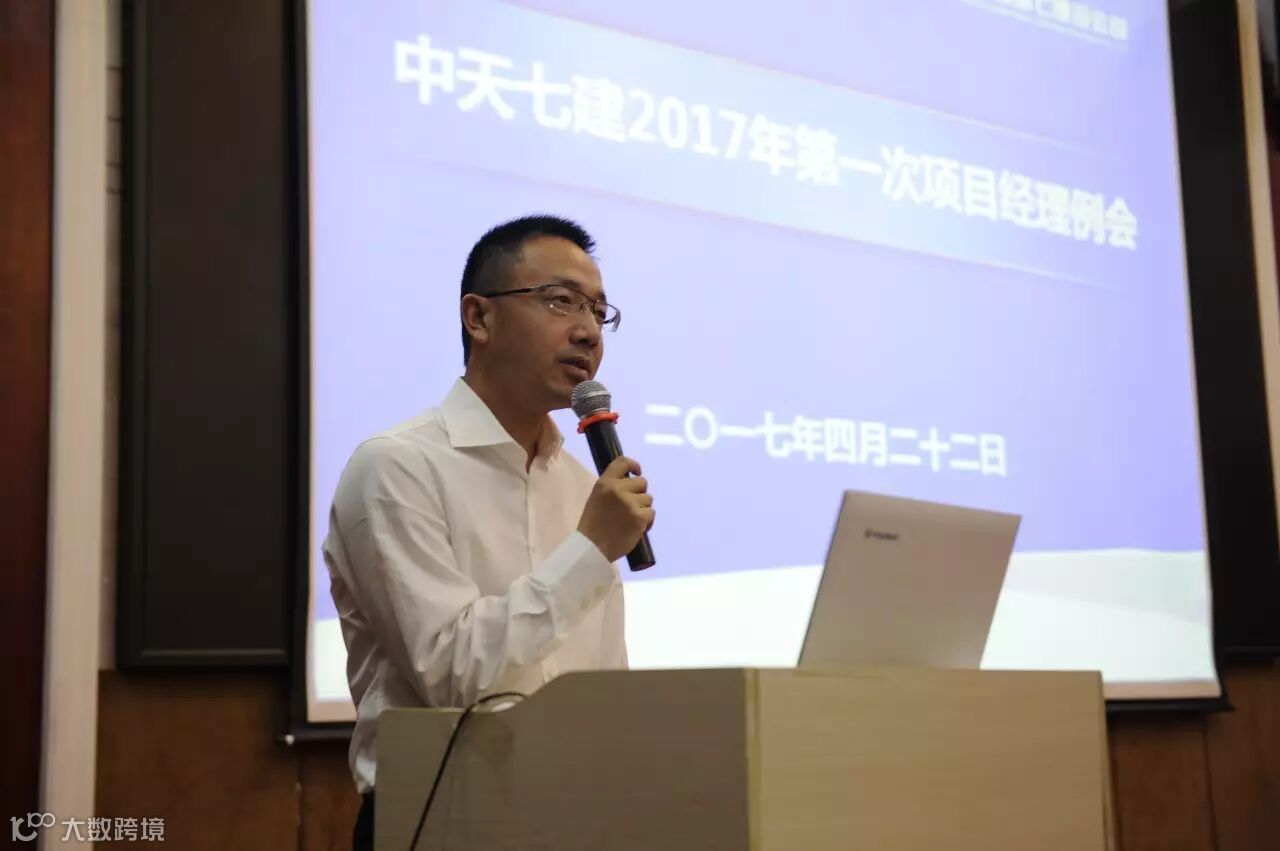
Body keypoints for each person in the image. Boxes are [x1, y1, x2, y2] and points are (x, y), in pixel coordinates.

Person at [323, 215, 654, 851]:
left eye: (599, 311)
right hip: (439, 820)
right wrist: (589, 550)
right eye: (560, 301)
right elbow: (454, 674)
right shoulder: (397, 467)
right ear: (479, 317)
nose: (587, 330)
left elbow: (604, 683)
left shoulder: (581, 487)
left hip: (575, 816)